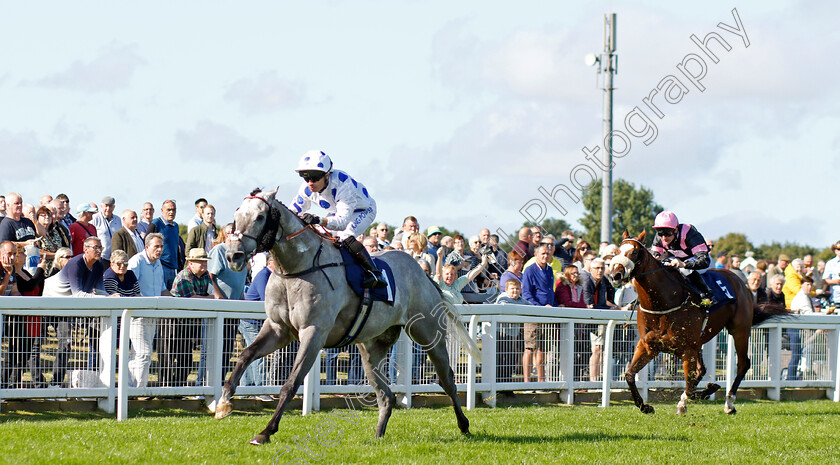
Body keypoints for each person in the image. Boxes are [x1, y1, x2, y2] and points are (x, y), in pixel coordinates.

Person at [290, 150, 386, 289]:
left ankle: (374, 273)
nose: (310, 182)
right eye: (305, 177)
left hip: (363, 210)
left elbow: (341, 223)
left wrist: (318, 220)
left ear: (327, 175)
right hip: (337, 211)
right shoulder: (306, 189)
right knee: (319, 234)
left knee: (345, 235)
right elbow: (292, 211)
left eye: (315, 177)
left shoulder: (343, 185)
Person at [127, 233, 168, 387]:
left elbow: (163, 290)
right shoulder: (137, 261)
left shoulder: (159, 264)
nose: (159, 250)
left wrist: (176, 302)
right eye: (156, 246)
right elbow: (129, 287)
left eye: (161, 246)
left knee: (142, 353)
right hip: (137, 314)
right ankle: (137, 389)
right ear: (147, 247)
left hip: (153, 315)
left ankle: (135, 389)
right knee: (143, 353)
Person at [649, 210, 713, 307]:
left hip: (697, 260)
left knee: (684, 269)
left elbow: (704, 261)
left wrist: (685, 264)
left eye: (667, 233)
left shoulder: (690, 234)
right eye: (660, 233)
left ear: (676, 230)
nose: (664, 237)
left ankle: (707, 294)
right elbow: (654, 255)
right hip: (676, 258)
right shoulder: (660, 237)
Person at [169, 248, 213, 387]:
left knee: (186, 361)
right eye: (200, 262)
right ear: (191, 262)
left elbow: (211, 294)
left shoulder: (205, 275)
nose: (204, 265)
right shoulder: (184, 276)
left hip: (192, 323)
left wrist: (209, 297)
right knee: (180, 358)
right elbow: (193, 300)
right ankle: (173, 389)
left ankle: (179, 389)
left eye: (205, 262)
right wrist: (210, 298)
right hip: (177, 323)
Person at [520, 244, 555, 384]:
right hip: (533, 314)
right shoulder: (529, 270)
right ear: (536, 254)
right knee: (529, 347)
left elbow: (550, 292)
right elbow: (527, 294)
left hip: (547, 314)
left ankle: (542, 381)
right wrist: (540, 307)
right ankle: (527, 381)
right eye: (542, 253)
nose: (545, 256)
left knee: (542, 349)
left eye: (547, 253)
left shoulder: (550, 270)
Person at [494, 279, 531, 384]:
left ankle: (507, 383)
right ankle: (499, 383)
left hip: (512, 335)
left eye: (517, 288)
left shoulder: (520, 300)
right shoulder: (503, 298)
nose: (515, 291)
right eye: (512, 289)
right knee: (501, 358)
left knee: (511, 358)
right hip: (501, 334)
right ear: (506, 289)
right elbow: (505, 308)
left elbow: (531, 307)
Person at [146, 200, 182, 288]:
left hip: (174, 268)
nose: (171, 212)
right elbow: (147, 243)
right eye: (168, 210)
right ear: (162, 210)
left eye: (173, 210)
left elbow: (176, 247)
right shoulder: (156, 223)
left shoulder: (176, 226)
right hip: (161, 266)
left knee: (172, 297)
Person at [92, 196, 122, 263]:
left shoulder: (118, 219)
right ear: (101, 206)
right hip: (101, 256)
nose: (108, 209)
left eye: (110, 206)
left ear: (114, 207)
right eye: (106, 206)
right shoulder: (95, 218)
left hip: (115, 257)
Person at [823, 241, 840, 309]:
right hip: (836, 298)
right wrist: (836, 281)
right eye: (838, 249)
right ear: (835, 250)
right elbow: (825, 280)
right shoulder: (830, 263)